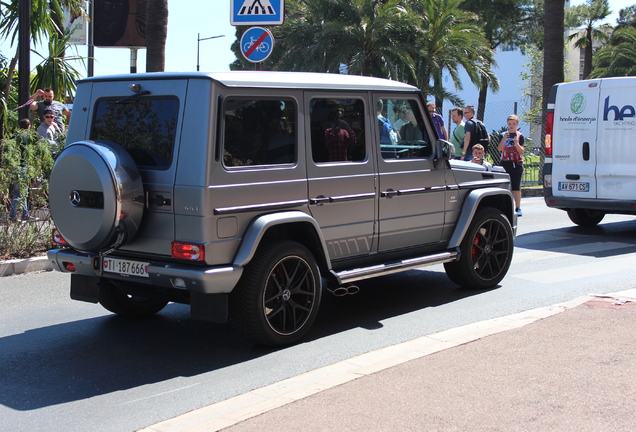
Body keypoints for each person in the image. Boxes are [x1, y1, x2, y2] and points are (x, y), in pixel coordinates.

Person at [498, 114, 525, 217]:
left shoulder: (520, 135)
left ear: (517, 124)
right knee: (504, 186)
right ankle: (504, 207)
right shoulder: (503, 135)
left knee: (516, 187)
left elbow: (521, 151)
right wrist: (504, 139)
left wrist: (516, 143)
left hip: (516, 163)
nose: (511, 126)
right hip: (505, 163)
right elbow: (500, 148)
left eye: (513, 124)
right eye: (510, 124)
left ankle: (518, 207)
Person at [10, 119, 32, 221]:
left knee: (21, 192)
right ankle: (13, 215)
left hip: (15, 167)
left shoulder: (13, 137)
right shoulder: (28, 138)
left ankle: (25, 214)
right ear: (29, 126)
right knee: (20, 192)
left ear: (19, 126)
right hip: (24, 166)